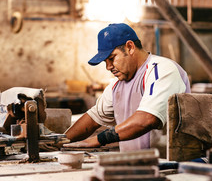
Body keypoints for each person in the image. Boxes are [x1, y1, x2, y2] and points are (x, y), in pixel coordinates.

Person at [63, 23, 190, 157]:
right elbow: (93, 118)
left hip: (169, 168)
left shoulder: (161, 70)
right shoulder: (116, 85)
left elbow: (147, 119)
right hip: (132, 166)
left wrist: (98, 140)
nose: (108, 67)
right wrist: (60, 141)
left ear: (130, 47)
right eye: (106, 62)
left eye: (112, 58)